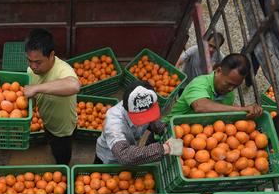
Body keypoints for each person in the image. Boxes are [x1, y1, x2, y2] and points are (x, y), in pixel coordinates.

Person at [24, 29, 81, 165]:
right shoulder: (30, 71)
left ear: (51, 55)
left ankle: (63, 167)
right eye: (29, 61)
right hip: (47, 121)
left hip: (63, 130)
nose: (32, 66)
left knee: (62, 155)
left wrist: (36, 88)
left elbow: (74, 85)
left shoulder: (63, 70)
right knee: (50, 139)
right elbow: (32, 97)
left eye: (38, 62)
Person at [95, 81, 183, 165]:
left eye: (148, 114)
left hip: (132, 150)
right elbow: (124, 155)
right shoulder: (114, 123)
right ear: (128, 110)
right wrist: (164, 148)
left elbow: (152, 121)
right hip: (109, 158)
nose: (145, 119)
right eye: (141, 116)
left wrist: (161, 128)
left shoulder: (144, 105)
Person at [168, 53, 263, 118]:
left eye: (235, 86)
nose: (231, 89)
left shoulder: (229, 95)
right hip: (168, 128)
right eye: (228, 83)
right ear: (218, 71)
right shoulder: (200, 83)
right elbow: (200, 106)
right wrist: (242, 109)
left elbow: (225, 109)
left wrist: (251, 111)